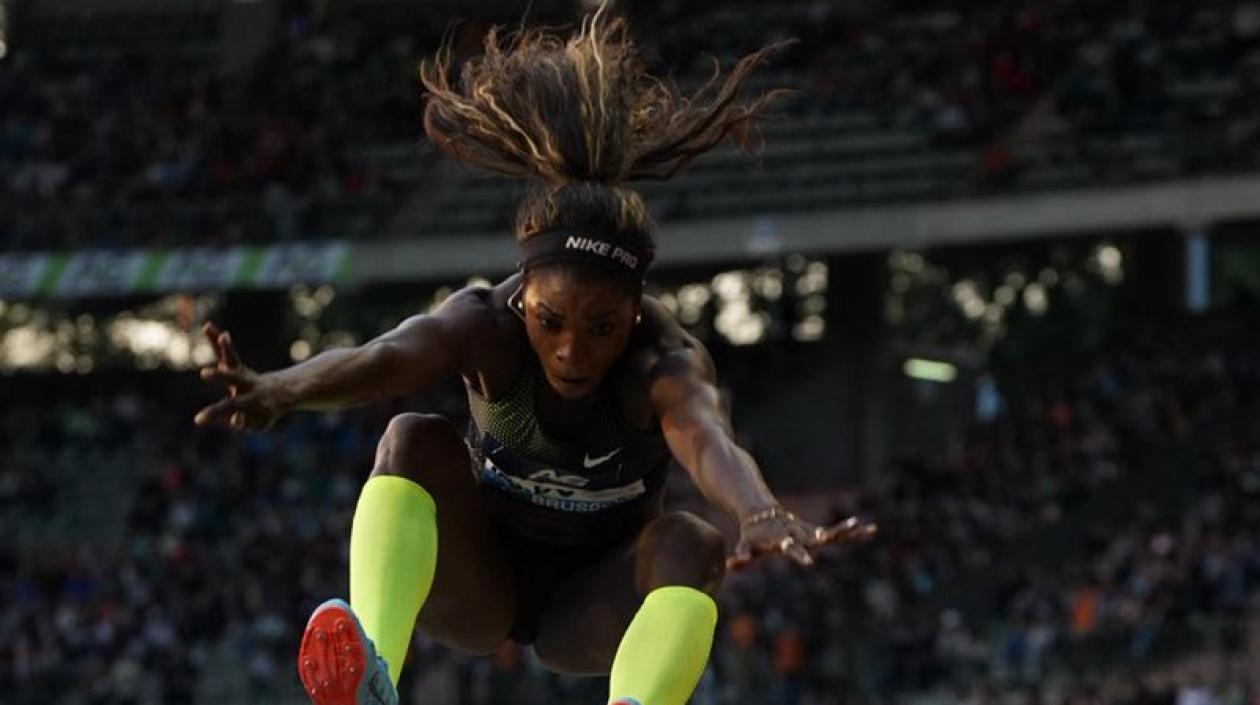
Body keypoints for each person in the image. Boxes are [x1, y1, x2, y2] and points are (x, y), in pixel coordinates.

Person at [195, 11, 876, 705]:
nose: (574, 348)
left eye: (603, 325)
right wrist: (282, 388)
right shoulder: (483, 324)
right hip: (477, 583)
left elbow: (706, 439)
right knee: (410, 439)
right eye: (552, 322)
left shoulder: (662, 362)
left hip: (590, 606)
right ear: (524, 304)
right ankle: (373, 676)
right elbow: (384, 357)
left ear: (635, 314)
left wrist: (758, 509)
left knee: (695, 542)